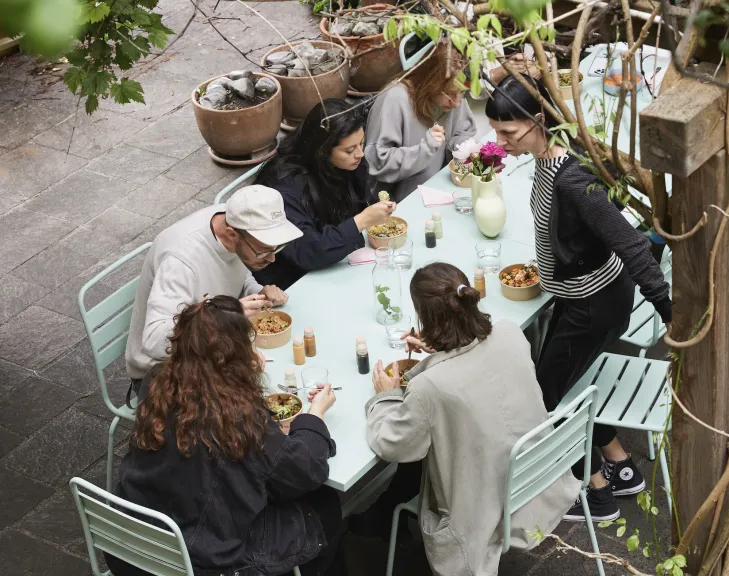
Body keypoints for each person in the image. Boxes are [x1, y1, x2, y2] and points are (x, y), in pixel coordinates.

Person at [486, 75, 673, 522]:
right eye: (496, 132)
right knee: (569, 380)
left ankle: (593, 489)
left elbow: (629, 243)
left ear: (537, 120)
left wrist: (670, 313)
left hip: (594, 306)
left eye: (508, 133)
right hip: (580, 299)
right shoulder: (553, 157)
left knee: (544, 396)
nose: (500, 142)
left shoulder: (572, 180)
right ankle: (621, 464)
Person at [326, 263, 578, 575]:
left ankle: (377, 518)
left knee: (418, 454)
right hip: (538, 478)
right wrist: (439, 351)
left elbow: (392, 445)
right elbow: (477, 371)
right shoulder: (510, 333)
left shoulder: (429, 388)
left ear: (423, 316)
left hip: (484, 503)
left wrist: (382, 397)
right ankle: (380, 514)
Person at [109, 295, 344, 576]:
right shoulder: (237, 419)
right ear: (236, 357)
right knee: (326, 507)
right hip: (201, 559)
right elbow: (305, 472)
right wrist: (313, 418)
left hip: (134, 545)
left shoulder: (157, 382)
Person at [125, 186, 302, 385]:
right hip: (164, 370)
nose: (271, 258)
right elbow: (154, 341)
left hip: (210, 344)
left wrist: (256, 292)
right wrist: (225, 316)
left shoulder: (233, 218)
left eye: (276, 248)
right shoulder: (181, 262)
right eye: (262, 251)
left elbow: (234, 274)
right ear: (232, 234)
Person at [253, 99, 396, 289]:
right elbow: (306, 250)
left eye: (361, 143)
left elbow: (362, 202)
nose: (360, 154)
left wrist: (374, 212)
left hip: (338, 260)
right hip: (292, 277)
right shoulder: (285, 185)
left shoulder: (349, 164)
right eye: (349, 150)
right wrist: (361, 221)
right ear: (322, 150)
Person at [364, 40, 477, 202]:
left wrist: (465, 149)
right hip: (400, 200)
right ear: (431, 84)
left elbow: (462, 132)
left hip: (439, 188)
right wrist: (424, 149)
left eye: (461, 93)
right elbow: (378, 163)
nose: (457, 102)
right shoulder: (395, 99)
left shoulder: (453, 96)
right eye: (450, 94)